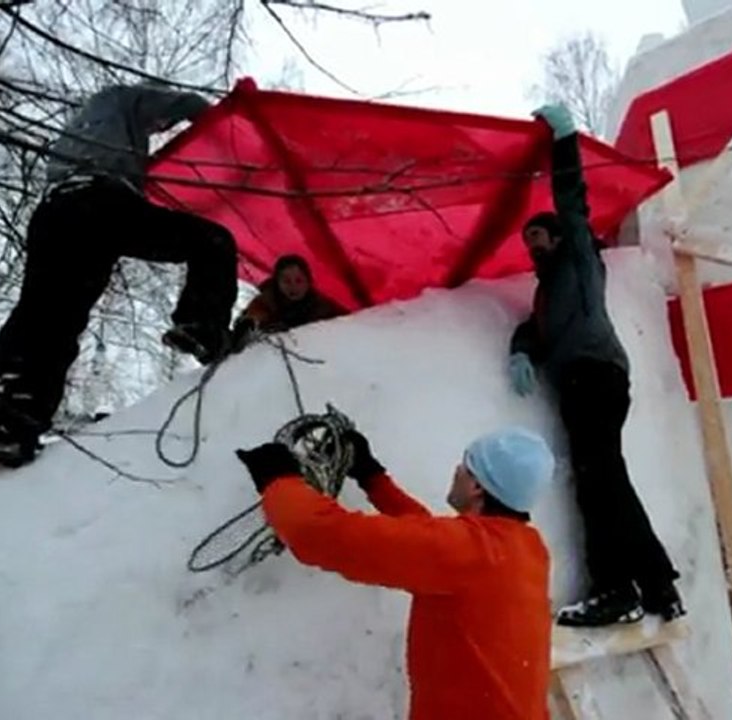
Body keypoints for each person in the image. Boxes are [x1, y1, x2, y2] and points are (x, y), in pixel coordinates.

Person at [0, 82, 238, 469]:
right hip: (102, 204)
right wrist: (227, 130)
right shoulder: (120, 98)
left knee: (49, 313)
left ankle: (10, 423)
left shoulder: (76, 130)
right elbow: (188, 104)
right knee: (212, 240)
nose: (160, 126)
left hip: (54, 215)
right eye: (158, 124)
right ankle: (202, 327)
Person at [235, 426, 556, 720]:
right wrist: (373, 478)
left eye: (465, 465)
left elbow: (321, 535)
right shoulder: (525, 550)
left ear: (475, 486)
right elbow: (431, 543)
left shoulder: (469, 553)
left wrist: (278, 480)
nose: (457, 470)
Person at [507, 103, 684, 628]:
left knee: (596, 481)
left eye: (538, 236)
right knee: (608, 478)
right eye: (528, 242)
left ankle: (615, 590)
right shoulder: (546, 292)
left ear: (557, 237)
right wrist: (521, 348)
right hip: (585, 378)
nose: (532, 245)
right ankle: (657, 586)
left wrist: (564, 144)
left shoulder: (579, 259)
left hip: (594, 374)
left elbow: (572, 202)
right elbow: (538, 331)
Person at [230, 254, 347, 351]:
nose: (293, 287)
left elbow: (344, 324)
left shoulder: (321, 306)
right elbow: (255, 315)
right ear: (277, 283)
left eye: (299, 281)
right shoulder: (267, 301)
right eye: (286, 281)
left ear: (308, 282)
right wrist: (248, 324)